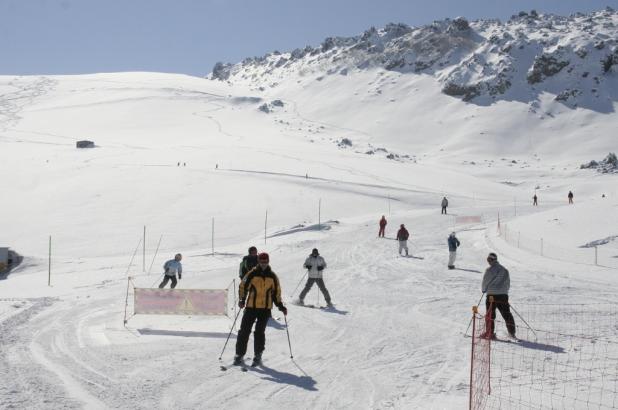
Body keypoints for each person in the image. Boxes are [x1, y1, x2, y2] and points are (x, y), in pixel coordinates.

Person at [234, 253, 287, 367]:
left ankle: (258, 355)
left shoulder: (272, 276)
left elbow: (276, 292)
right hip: (251, 307)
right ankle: (239, 355)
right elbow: (243, 286)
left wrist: (280, 306)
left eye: (265, 261)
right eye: (261, 262)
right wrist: (242, 299)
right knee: (244, 331)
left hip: (265, 309)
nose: (263, 264)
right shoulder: (252, 273)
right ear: (258, 261)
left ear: (268, 261)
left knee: (259, 332)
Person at [481, 252, 516, 339]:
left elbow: (485, 281)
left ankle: (490, 333)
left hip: (492, 295)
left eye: (488, 259)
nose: (488, 261)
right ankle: (512, 333)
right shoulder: (505, 270)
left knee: (490, 315)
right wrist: (504, 292)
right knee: (506, 314)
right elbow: (507, 283)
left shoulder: (489, 270)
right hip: (503, 295)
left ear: (491, 259)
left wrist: (484, 289)